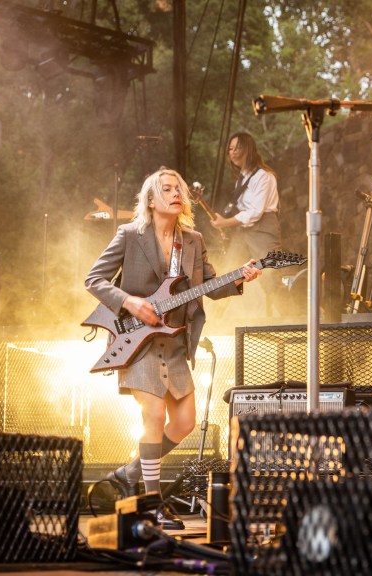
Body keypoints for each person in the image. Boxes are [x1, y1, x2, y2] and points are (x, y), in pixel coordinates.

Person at [85, 167, 261, 530]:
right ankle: (152, 503)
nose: (175, 193)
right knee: (153, 417)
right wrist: (131, 303)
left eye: (178, 188)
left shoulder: (192, 240)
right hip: (137, 342)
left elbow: (210, 286)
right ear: (151, 199)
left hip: (175, 343)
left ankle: (130, 472)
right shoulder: (130, 235)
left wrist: (239, 277)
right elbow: (94, 280)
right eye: (166, 188)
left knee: (184, 423)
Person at [210, 132, 282, 318]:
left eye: (237, 148)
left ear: (248, 149)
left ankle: (287, 315)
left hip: (263, 227)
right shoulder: (242, 178)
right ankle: (217, 317)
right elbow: (242, 211)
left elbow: (255, 212)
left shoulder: (264, 176)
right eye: (230, 149)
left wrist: (226, 222)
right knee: (229, 271)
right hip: (244, 231)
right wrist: (227, 224)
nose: (232, 152)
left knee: (270, 274)